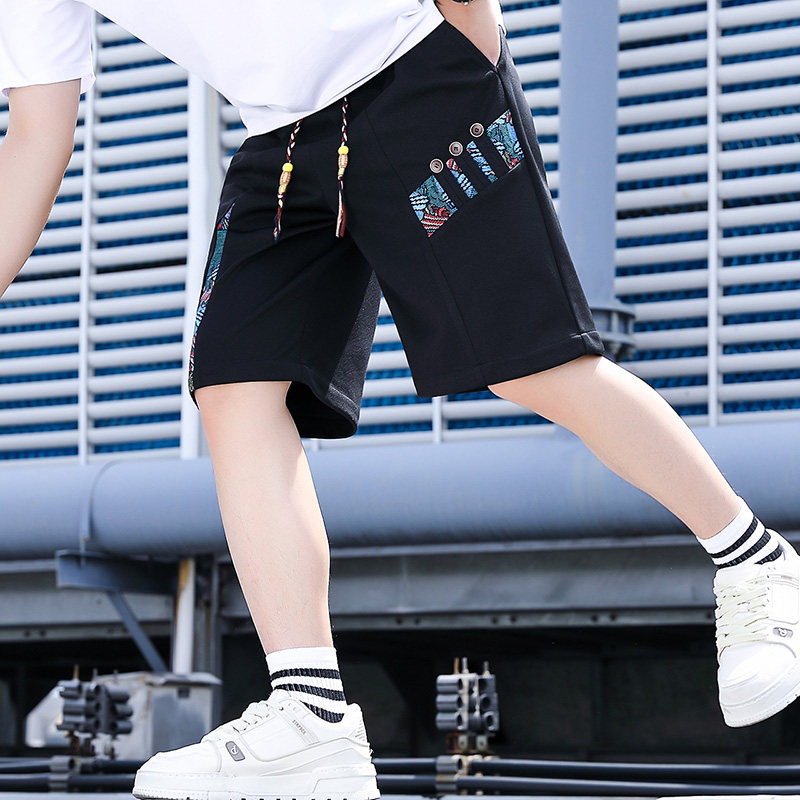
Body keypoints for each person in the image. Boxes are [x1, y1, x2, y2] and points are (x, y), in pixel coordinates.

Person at [1, 0, 798, 796]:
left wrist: (470, 33)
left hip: (417, 72)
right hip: (282, 143)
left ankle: (756, 562)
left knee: (533, 364)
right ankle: (310, 715)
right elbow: (38, 133)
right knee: (233, 387)